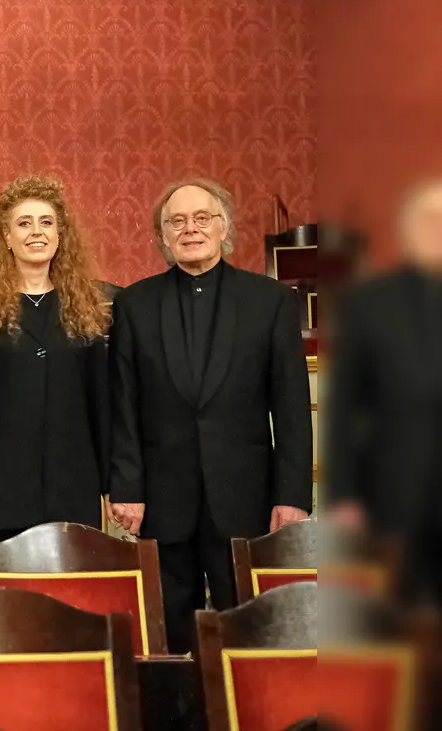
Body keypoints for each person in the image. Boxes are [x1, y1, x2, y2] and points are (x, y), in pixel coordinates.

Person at [109, 178, 312, 653]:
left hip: (246, 498)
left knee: (248, 628)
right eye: (176, 221)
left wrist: (293, 495)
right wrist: (127, 488)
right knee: (169, 635)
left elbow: (291, 409)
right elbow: (124, 405)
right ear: (162, 236)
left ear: (224, 228)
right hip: (161, 500)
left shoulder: (271, 301)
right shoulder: (135, 305)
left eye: (202, 218)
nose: (190, 229)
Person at [0, 177, 112, 543]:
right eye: (24, 223)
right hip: (1, 490)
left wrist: (108, 485)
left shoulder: (90, 309)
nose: (36, 232)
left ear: (60, 234)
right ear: (6, 236)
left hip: (74, 487)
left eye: (46, 222)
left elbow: (101, 404)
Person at [325, 179, 442, 604]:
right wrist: (343, 494)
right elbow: (342, 407)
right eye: (427, 221)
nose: (436, 230)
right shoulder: (368, 303)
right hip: (393, 490)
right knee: (399, 616)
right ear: (407, 231)